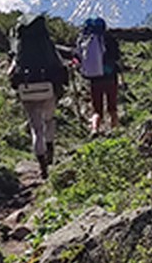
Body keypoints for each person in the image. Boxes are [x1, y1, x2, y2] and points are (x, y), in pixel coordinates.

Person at [8, 13, 68, 177]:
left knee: (36, 128)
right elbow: (60, 64)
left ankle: (42, 164)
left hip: (27, 90)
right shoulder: (47, 46)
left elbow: (11, 71)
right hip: (48, 89)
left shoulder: (20, 47)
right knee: (49, 120)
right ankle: (50, 148)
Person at [75, 16, 121, 134]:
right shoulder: (109, 39)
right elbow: (117, 56)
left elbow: (78, 57)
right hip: (110, 77)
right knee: (112, 108)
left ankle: (95, 129)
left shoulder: (85, 40)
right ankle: (115, 131)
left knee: (97, 110)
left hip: (95, 79)